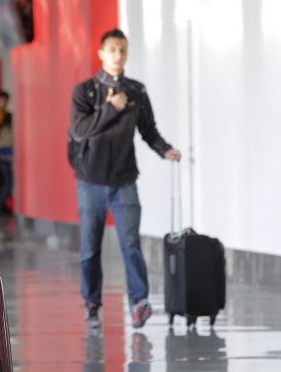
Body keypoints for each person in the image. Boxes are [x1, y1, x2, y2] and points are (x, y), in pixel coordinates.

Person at [68, 28, 181, 329]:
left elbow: (148, 129)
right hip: (90, 181)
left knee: (131, 244)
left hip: (124, 180)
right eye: (113, 50)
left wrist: (165, 149)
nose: (118, 55)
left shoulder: (136, 91)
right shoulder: (84, 91)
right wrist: (110, 107)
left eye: (123, 50)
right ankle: (92, 303)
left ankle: (139, 302)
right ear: (101, 54)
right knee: (90, 248)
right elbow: (80, 130)